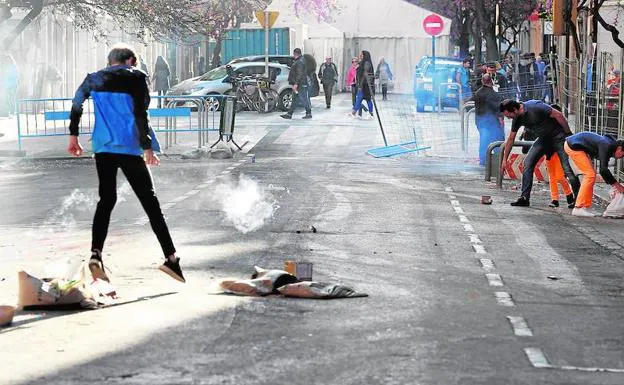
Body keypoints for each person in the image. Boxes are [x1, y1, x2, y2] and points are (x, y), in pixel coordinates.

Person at [67, 44, 185, 283]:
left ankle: (95, 254)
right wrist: (148, 147)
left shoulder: (94, 78)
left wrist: (74, 136)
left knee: (106, 200)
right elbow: (142, 114)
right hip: (130, 147)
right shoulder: (137, 78)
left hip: (103, 147)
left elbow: (77, 103)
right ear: (131, 60)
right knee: (150, 202)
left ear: (111, 60)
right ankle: (171, 259)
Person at [499, 99, 580, 207]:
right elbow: (511, 139)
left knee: (567, 169)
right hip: (543, 139)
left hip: (558, 137)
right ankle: (524, 198)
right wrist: (504, 159)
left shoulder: (535, 106)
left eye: (508, 115)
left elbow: (558, 115)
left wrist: (569, 135)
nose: (508, 118)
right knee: (528, 163)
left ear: (514, 109)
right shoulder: (517, 118)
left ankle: (578, 199)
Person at [564, 132, 624, 216]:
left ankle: (584, 206)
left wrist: (614, 184)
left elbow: (604, 170)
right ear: (620, 148)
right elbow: (603, 170)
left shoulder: (610, 145)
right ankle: (578, 208)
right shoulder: (607, 145)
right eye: (622, 154)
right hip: (573, 146)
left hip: (575, 145)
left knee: (591, 174)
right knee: (590, 175)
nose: (621, 157)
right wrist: (616, 184)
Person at [472, 74, 504, 166]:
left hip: (480, 120)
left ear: (482, 81)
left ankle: (483, 160)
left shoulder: (478, 93)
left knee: (484, 140)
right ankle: (497, 160)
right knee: (496, 139)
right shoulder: (493, 94)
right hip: (492, 121)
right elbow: (497, 108)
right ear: (491, 82)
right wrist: (501, 119)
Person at [281, 48, 312, 119]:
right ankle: (289, 114)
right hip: (299, 84)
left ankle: (308, 113)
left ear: (295, 54)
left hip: (300, 84)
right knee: (295, 99)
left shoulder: (299, 62)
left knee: (304, 99)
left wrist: (296, 84)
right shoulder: (300, 61)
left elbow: (299, 74)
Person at [349, 50, 375, 119]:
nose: (360, 56)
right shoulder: (362, 63)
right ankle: (369, 113)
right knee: (362, 99)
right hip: (363, 85)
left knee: (364, 99)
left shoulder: (366, 63)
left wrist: (360, 84)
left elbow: (364, 75)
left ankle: (355, 113)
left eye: (362, 55)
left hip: (365, 85)